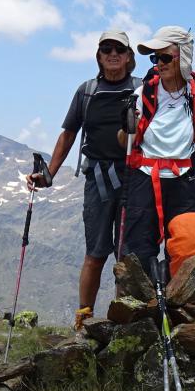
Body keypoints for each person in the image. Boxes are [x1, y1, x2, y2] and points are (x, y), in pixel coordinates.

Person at [29, 30, 140, 331]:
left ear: (130, 57)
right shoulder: (87, 91)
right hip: (99, 180)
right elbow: (68, 134)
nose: (113, 53)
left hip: (135, 178)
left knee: (128, 256)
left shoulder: (142, 89)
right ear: (99, 56)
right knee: (96, 252)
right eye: (106, 49)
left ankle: (125, 321)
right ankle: (84, 319)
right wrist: (49, 174)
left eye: (119, 49)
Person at [123, 26, 195, 274]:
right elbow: (125, 142)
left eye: (165, 57)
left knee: (185, 249)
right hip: (144, 178)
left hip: (182, 180)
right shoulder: (143, 94)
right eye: (155, 58)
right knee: (138, 252)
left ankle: (178, 305)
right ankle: (139, 308)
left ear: (182, 56)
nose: (159, 64)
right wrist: (126, 125)